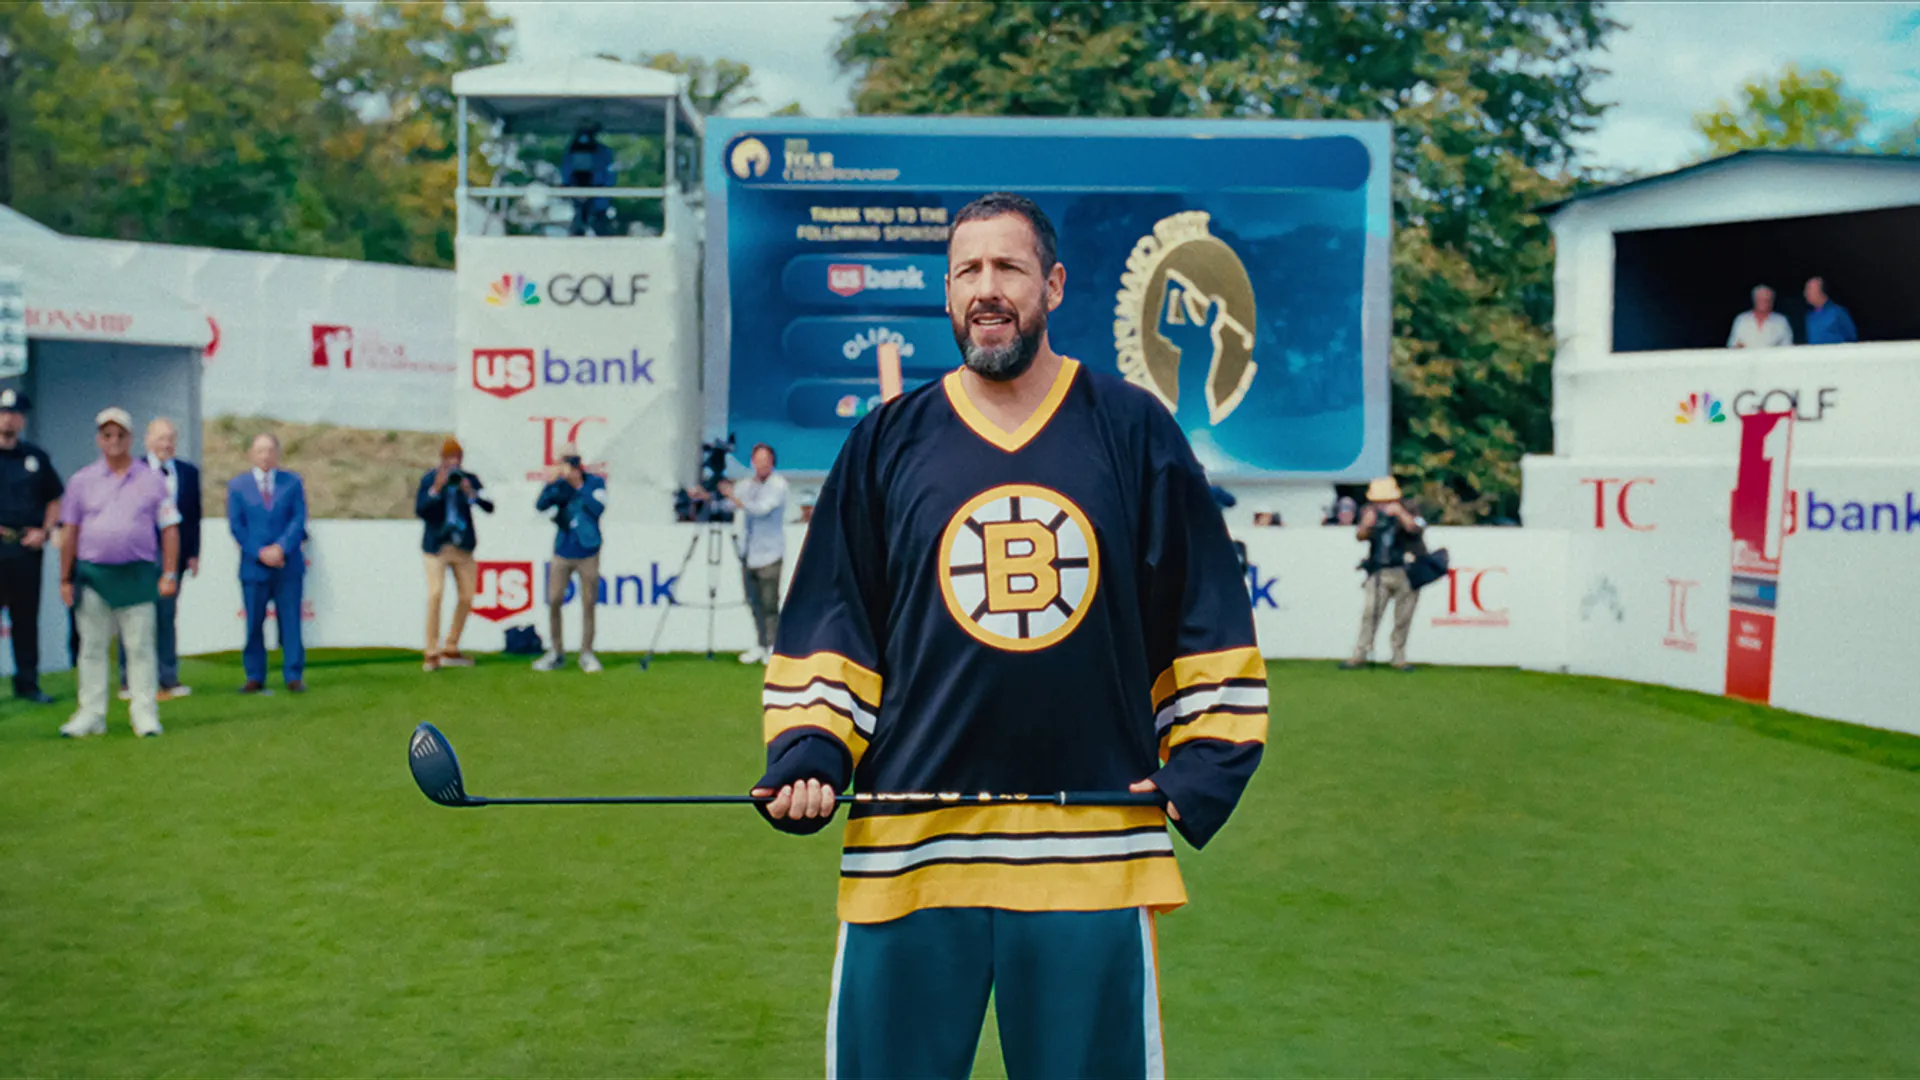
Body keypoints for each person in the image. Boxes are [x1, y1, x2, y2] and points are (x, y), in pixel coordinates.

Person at [751, 192, 1268, 1078]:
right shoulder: (885, 442)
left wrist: (1207, 760)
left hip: (1091, 850)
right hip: (913, 850)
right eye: (968, 271)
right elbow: (836, 620)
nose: (986, 289)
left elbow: (1203, 608)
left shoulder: (1132, 429)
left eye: (1008, 268)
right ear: (948, 292)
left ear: (1053, 285)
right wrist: (810, 750)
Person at [57, 408, 180, 738]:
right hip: (93, 576)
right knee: (92, 647)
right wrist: (65, 577)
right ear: (99, 439)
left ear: (131, 439)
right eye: (107, 435)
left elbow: (169, 527)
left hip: (137, 576)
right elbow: (70, 530)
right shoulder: (81, 481)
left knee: (140, 647)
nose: (113, 441)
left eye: (120, 435)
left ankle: (144, 713)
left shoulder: (152, 479)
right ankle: (91, 713)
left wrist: (169, 573)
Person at [119, 417, 199, 700]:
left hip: (173, 556)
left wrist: (193, 553)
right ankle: (128, 680)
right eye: (161, 438)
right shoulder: (132, 469)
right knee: (133, 617)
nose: (166, 444)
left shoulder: (188, 472)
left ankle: (168, 678)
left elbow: (194, 516)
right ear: (148, 439)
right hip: (138, 553)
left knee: (166, 617)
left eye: (171, 438)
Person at [227, 433, 307, 694]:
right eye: (260, 451)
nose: (265, 456)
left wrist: (281, 548)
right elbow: (237, 526)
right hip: (254, 567)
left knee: (291, 622)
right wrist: (260, 552)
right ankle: (254, 675)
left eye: (270, 450)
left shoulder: (292, 483)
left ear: (277, 453)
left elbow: (298, 520)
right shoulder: (238, 486)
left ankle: (293, 675)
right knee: (254, 623)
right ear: (251, 453)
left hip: (287, 566)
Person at [0, 388, 62, 704]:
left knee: (26, 619)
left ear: (22, 419)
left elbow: (54, 498)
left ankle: (28, 684)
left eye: (15, 413)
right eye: (3, 412)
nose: (8, 419)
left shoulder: (36, 457)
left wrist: (45, 531)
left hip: (26, 549)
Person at [416, 438, 493, 672]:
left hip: (463, 547)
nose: (454, 462)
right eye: (450, 458)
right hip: (436, 547)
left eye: (457, 458)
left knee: (467, 596)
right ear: (442, 459)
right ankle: (431, 652)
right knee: (435, 594)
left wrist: (471, 494)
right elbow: (421, 510)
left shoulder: (469, 479)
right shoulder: (429, 479)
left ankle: (451, 647)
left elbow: (489, 506)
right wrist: (436, 489)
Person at [532, 443, 606, 673]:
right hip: (563, 549)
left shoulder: (595, 483)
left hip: (588, 550)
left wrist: (577, 486)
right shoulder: (558, 485)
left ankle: (587, 652)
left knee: (589, 602)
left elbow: (598, 508)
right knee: (554, 599)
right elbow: (540, 505)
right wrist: (551, 483)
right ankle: (556, 651)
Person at [1341, 476, 1426, 673]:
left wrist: (1401, 514)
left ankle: (1398, 656)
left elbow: (1416, 528)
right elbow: (1360, 536)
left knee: (1403, 617)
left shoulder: (1409, 508)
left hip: (1407, 570)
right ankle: (1360, 653)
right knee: (1370, 612)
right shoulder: (1369, 511)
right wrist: (1367, 525)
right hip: (1379, 570)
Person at [719, 442, 788, 665]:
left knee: (770, 604)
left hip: (770, 553)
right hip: (749, 553)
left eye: (765, 460)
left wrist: (733, 497)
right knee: (754, 602)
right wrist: (712, 496)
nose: (761, 464)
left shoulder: (778, 485)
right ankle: (760, 643)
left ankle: (773, 646)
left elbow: (760, 509)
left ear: (772, 462)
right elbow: (728, 506)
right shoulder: (746, 485)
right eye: (758, 460)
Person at [1727, 285, 1793, 349]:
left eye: (1767, 300)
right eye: (1760, 299)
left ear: (1772, 301)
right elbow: (1732, 345)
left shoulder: (1782, 321)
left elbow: (1787, 347)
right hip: (1745, 356)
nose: (1764, 303)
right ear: (1754, 300)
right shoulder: (1741, 319)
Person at [1803, 277, 1858, 346]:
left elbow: (1852, 338)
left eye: (1809, 289)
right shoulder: (1810, 316)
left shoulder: (1838, 312)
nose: (1806, 293)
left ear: (1821, 291)